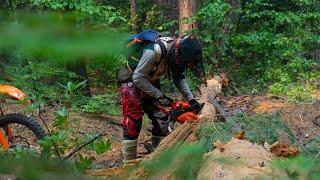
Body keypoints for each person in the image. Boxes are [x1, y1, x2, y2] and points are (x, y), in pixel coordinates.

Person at [117, 29, 203, 161]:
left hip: (150, 80)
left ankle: (158, 157)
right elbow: (138, 78)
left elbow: (178, 77)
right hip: (131, 79)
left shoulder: (176, 55)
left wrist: (191, 99)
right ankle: (129, 162)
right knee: (133, 120)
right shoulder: (154, 51)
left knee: (162, 117)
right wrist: (159, 95)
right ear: (178, 54)